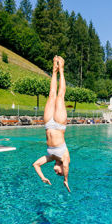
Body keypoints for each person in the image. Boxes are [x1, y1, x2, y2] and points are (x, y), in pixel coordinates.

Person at [32, 56, 71, 193]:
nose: (56, 173)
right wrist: (65, 179)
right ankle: (61, 70)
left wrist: (43, 177)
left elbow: (35, 164)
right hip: (59, 124)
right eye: (58, 173)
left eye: (57, 174)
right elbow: (65, 167)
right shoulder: (64, 157)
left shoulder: (50, 157)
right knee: (60, 96)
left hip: (48, 123)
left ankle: (54, 71)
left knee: (51, 95)